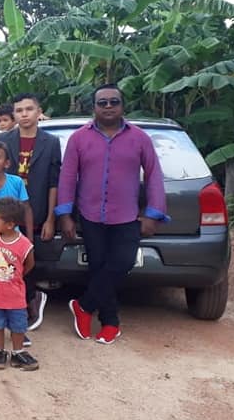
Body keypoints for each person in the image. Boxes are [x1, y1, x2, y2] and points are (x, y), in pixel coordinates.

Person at [57, 84, 168, 345]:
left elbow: (153, 175)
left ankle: (83, 306)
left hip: (127, 215)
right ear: (94, 107)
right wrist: (64, 214)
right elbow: (67, 177)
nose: (108, 106)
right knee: (98, 268)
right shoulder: (79, 138)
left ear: (122, 105)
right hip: (91, 215)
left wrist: (153, 214)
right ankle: (110, 323)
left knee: (122, 263)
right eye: (102, 102)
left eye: (113, 102)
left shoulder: (140, 138)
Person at [0, 92, 61, 331]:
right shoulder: (4, 139)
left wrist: (51, 218)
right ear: (14, 114)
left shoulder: (51, 142)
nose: (24, 114)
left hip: (37, 210)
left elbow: (54, 182)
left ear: (38, 111)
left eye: (29, 109)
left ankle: (31, 300)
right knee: (6, 259)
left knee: (28, 258)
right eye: (19, 110)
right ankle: (15, 306)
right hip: (7, 212)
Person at [0, 198, 39, 371]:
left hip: (15, 296)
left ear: (9, 224)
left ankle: (18, 351)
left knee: (18, 325)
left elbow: (30, 264)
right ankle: (0, 351)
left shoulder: (24, 244)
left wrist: (16, 275)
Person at [0, 140, 33, 236]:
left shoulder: (16, 182)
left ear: (7, 163)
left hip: (12, 237)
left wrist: (30, 239)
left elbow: (26, 209)